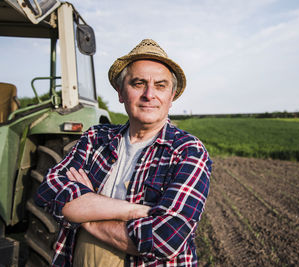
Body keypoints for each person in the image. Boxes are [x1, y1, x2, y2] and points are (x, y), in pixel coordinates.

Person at [35, 39, 212, 267]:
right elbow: (49, 191)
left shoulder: (188, 151)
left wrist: (86, 215)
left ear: (171, 96)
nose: (149, 94)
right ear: (120, 92)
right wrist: (135, 211)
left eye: (160, 85)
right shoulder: (96, 139)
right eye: (138, 83)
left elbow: (166, 238)